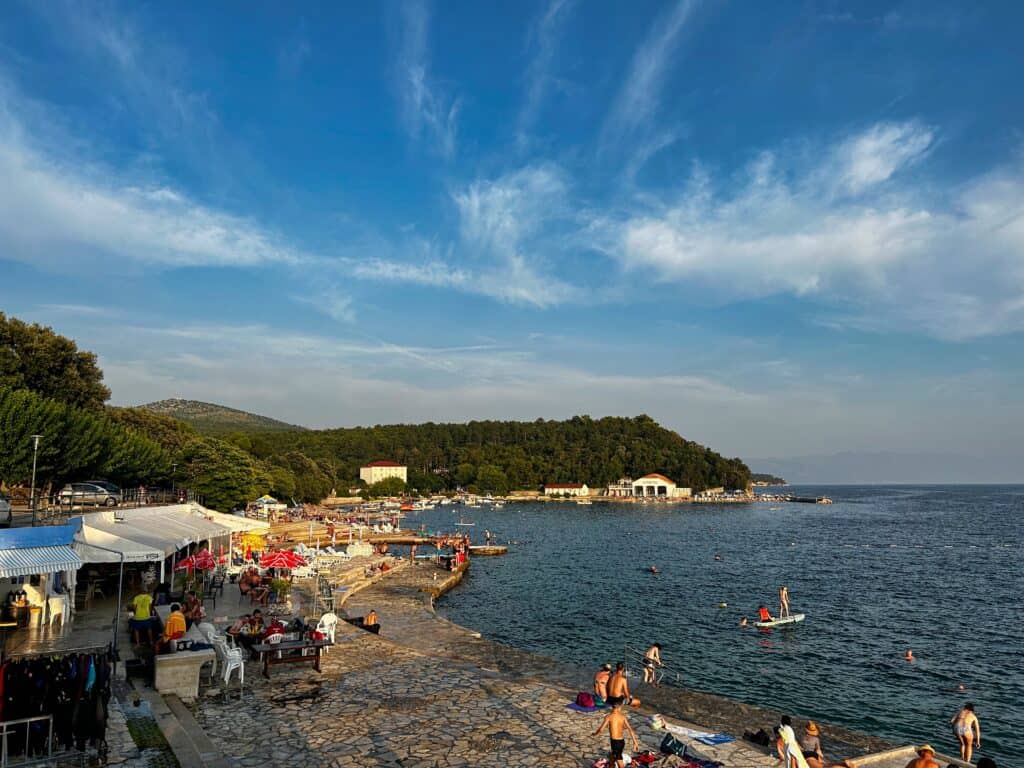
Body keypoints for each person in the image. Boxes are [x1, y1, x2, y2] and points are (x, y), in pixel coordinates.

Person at [592, 701, 640, 768]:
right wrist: (635, 743)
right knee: (612, 758)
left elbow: (601, 729)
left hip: (615, 743)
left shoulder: (609, 717)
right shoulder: (622, 717)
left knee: (619, 761)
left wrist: (595, 734)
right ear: (619, 708)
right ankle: (611, 765)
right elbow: (630, 730)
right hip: (621, 742)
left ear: (612, 707)